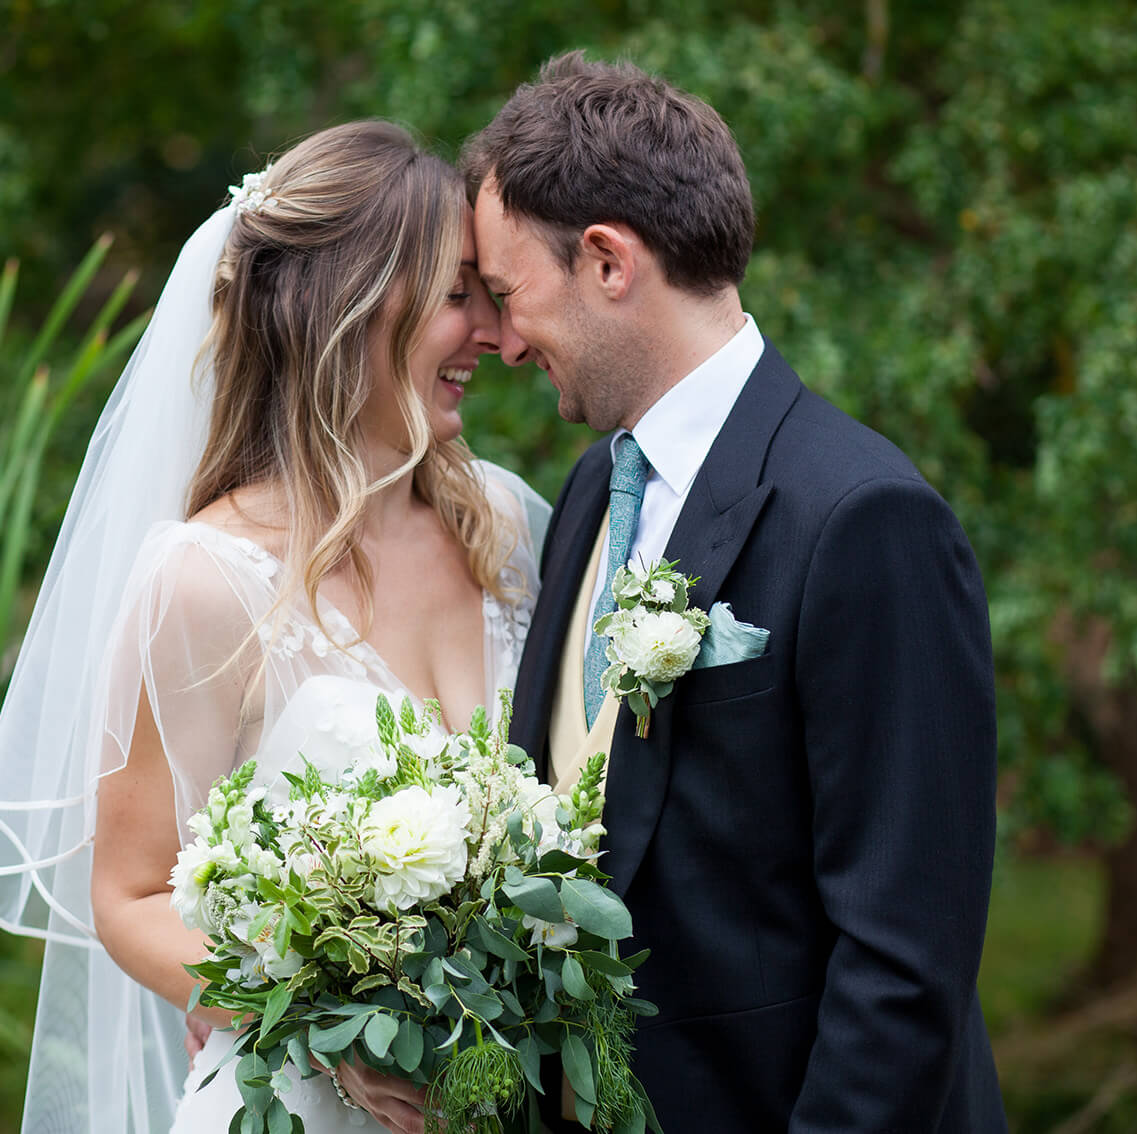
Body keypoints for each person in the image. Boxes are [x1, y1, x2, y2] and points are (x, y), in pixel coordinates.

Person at [0, 120, 548, 1133]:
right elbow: (129, 896)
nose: (490, 334)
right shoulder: (205, 580)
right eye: (456, 297)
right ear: (348, 305)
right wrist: (329, 1022)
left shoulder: (509, 526)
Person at [467, 54, 1007, 1131]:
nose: (501, 339)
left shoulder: (861, 518)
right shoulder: (588, 490)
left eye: (504, 291)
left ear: (607, 262)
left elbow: (903, 961)